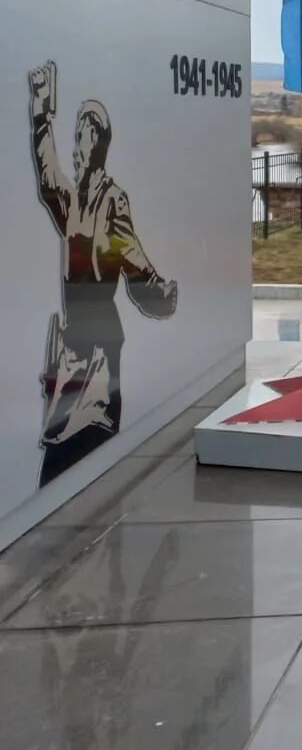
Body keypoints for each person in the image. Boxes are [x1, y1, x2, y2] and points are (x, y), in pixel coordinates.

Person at [29, 61, 178, 486]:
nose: (76, 144)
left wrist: (157, 291)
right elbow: (46, 177)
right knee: (58, 460)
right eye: (74, 134)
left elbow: (128, 254)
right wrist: (42, 115)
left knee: (82, 451)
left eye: (81, 134)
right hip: (73, 343)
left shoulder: (111, 201)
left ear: (97, 141)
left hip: (96, 354)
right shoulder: (72, 201)